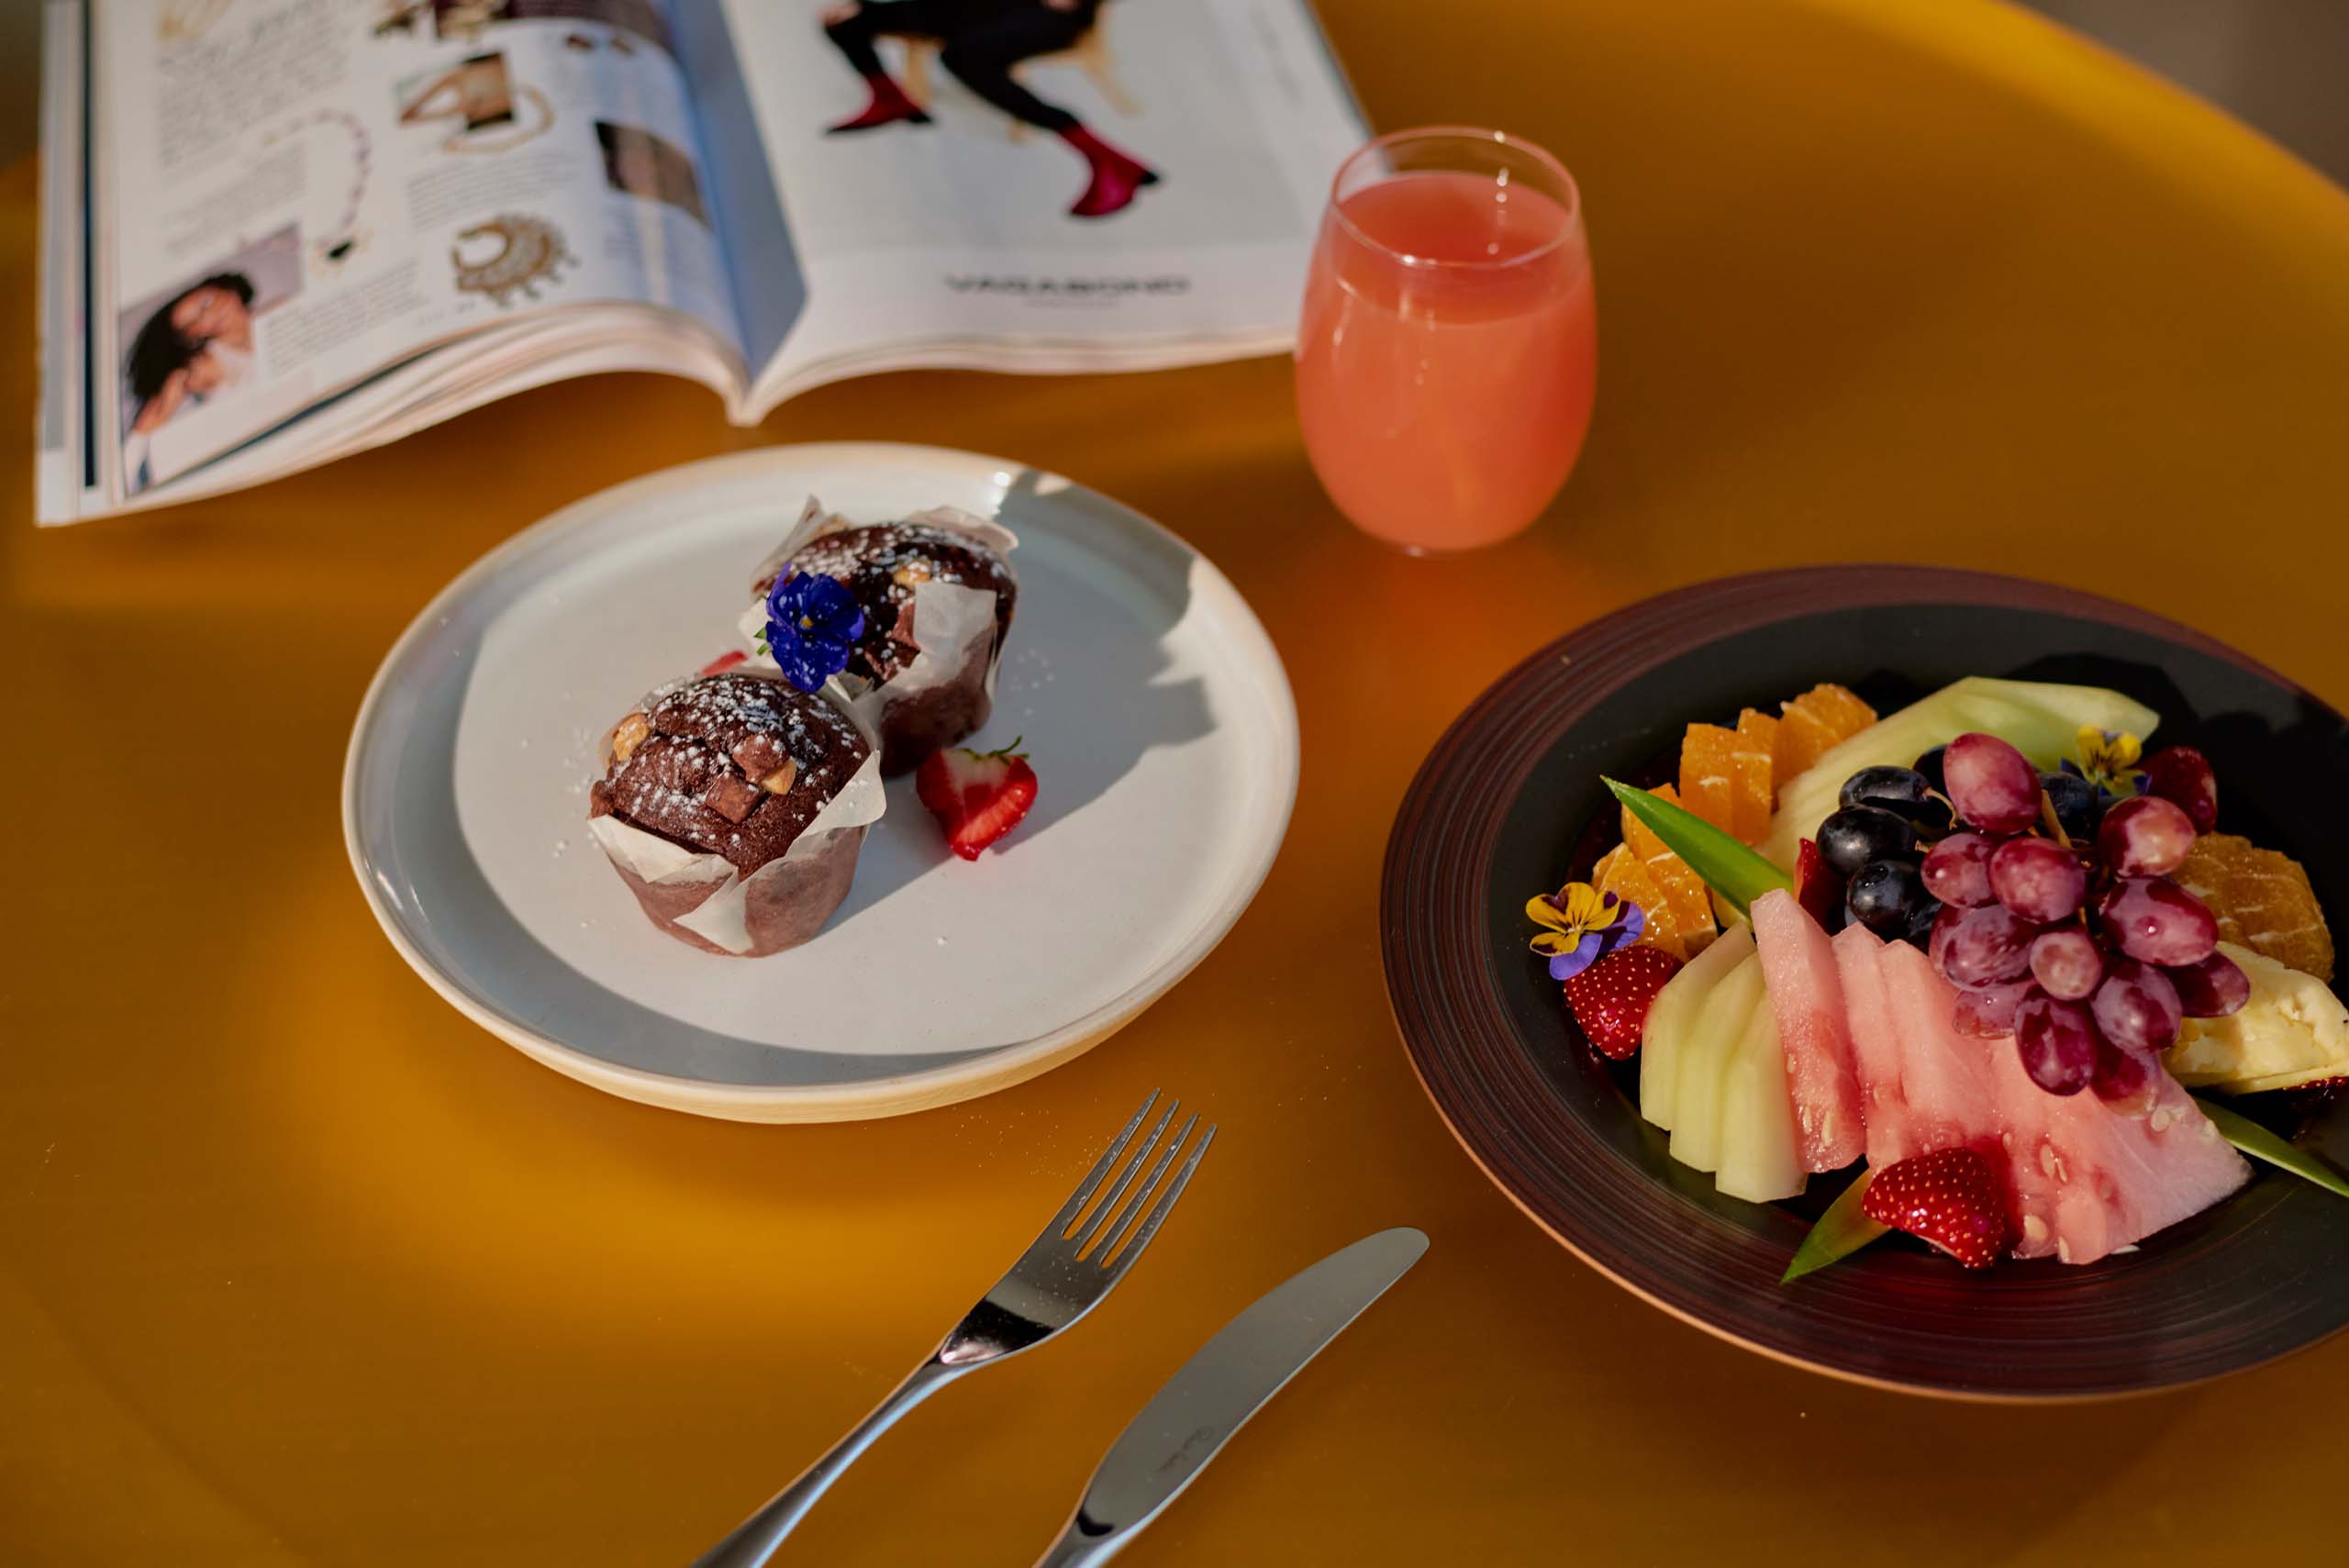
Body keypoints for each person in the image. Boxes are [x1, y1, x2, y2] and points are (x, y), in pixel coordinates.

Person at [818, 0, 1158, 219]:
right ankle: (890, 99)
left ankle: (1107, 158)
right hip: (974, 6)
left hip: (1046, 13)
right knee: (847, 20)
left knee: (964, 58)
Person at [121, 272, 257, 489]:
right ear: (193, 337)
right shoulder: (205, 364)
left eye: (205, 302)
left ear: (227, 289)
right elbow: (146, 427)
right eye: (193, 322)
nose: (209, 315)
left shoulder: (281, 311)